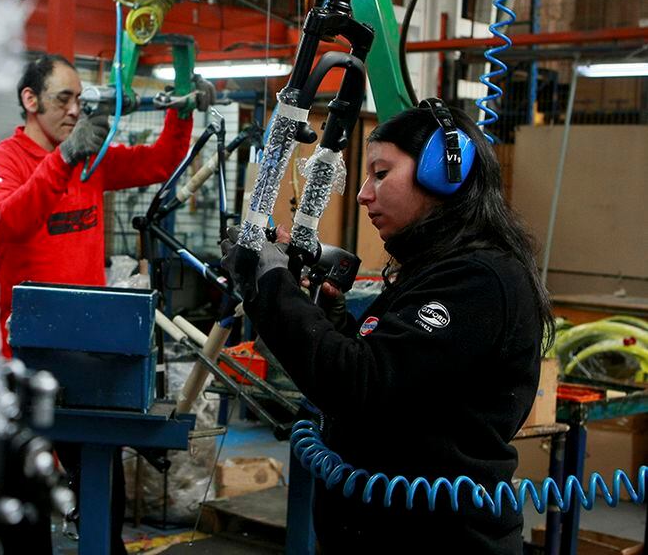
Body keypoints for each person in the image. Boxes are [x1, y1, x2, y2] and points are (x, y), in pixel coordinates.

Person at [222, 100, 554, 554]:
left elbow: (362, 385)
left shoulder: (479, 280)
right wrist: (331, 321)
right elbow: (401, 372)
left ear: (442, 173)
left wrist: (271, 285)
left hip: (437, 540)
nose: (363, 193)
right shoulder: (433, 269)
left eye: (381, 174)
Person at [0, 52, 200, 555]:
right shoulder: (4, 161)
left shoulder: (93, 162)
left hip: (86, 357)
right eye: (63, 99)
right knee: (29, 499)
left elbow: (159, 162)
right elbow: (7, 222)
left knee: (102, 485)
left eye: (79, 100)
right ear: (30, 100)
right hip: (22, 359)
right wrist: (62, 162)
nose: (74, 110)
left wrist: (184, 109)